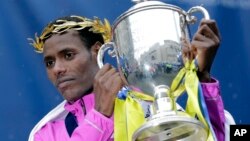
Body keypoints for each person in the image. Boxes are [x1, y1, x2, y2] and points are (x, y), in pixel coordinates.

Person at [28, 15, 226, 141]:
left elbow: (214, 138)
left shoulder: (147, 105)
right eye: (49, 63)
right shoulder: (45, 134)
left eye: (68, 55)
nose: (58, 69)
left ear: (97, 51)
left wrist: (202, 77)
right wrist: (100, 116)